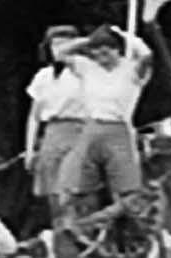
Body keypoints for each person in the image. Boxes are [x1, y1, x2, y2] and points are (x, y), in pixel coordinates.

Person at [51, 25, 152, 220]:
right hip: (91, 127)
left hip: (119, 129)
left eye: (108, 48)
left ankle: (127, 230)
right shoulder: (87, 67)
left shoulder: (131, 69)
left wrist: (122, 34)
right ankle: (79, 226)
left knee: (127, 191)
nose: (102, 53)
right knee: (72, 184)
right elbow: (59, 53)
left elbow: (147, 54)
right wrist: (89, 40)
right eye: (97, 49)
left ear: (118, 50)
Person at [23, 25, 86, 229]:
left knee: (72, 193)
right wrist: (30, 149)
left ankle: (77, 233)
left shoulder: (84, 72)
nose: (60, 49)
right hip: (52, 134)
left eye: (66, 44)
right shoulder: (43, 77)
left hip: (79, 132)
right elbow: (34, 116)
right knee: (53, 194)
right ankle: (60, 235)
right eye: (55, 44)